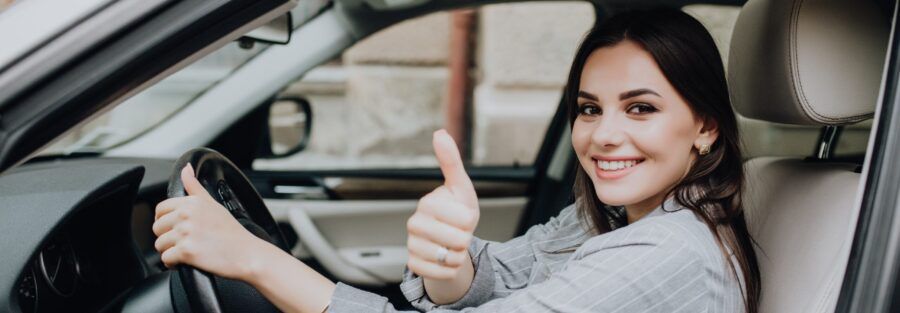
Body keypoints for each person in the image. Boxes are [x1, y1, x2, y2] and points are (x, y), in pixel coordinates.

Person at [152, 8, 760, 313]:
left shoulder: (670, 254)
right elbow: (512, 273)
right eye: (589, 108)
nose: (604, 136)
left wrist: (253, 257)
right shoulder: (619, 213)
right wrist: (452, 269)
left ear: (705, 127)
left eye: (641, 108)